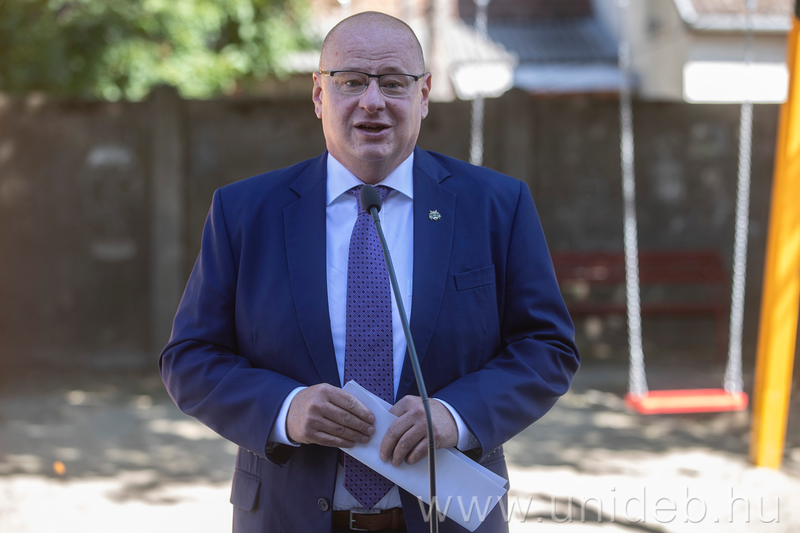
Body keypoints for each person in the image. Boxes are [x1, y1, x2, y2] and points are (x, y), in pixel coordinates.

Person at [159, 11, 579, 533]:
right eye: (351, 81)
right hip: (288, 518)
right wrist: (285, 410)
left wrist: (457, 416)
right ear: (319, 94)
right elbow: (190, 358)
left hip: (449, 518)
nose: (373, 101)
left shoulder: (496, 205)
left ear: (424, 95)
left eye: (394, 83)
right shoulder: (244, 212)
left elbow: (547, 347)